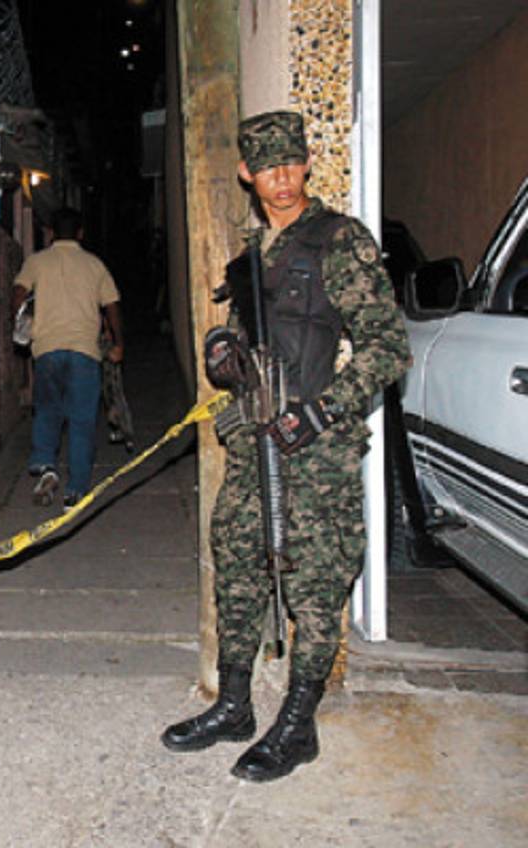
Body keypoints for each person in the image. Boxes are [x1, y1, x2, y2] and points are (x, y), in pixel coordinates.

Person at [160, 111, 411, 781]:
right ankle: (235, 705)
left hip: (317, 450)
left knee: (317, 586)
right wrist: (223, 349)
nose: (281, 176)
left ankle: (298, 726)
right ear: (247, 172)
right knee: (237, 565)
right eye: (267, 166)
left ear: (306, 164)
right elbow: (245, 342)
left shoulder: (339, 241)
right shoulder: (248, 258)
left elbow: (389, 347)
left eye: (291, 163)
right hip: (254, 445)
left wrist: (324, 411)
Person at [12, 207, 123, 509]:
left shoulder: (36, 261)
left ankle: (46, 465)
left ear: (50, 233)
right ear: (80, 233)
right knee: (81, 420)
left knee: (47, 409)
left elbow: (19, 292)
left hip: (47, 349)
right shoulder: (94, 265)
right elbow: (111, 305)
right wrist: (118, 342)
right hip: (84, 352)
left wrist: (23, 323)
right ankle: (75, 489)